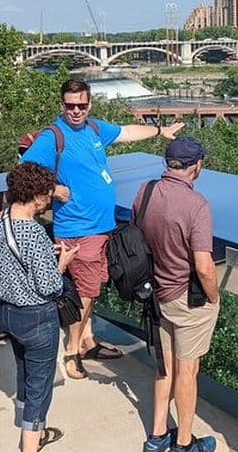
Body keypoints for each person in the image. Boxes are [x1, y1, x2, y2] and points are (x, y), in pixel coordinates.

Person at [21, 78, 183, 379]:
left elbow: (127, 132)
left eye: (81, 105)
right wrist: (54, 189)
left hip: (99, 226)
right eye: (70, 105)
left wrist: (162, 131)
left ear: (89, 104)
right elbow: (22, 171)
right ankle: (71, 352)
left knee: (91, 289)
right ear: (62, 105)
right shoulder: (53, 137)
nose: (76, 111)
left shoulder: (95, 129)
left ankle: (87, 340)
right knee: (86, 291)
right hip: (78, 228)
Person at [133, 136, 219, 452]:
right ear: (196, 166)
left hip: (156, 292)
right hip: (185, 298)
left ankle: (156, 436)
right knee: (187, 371)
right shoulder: (196, 205)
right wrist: (213, 298)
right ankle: (183, 444)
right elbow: (204, 266)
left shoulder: (146, 190)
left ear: (168, 163)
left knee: (164, 365)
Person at [0, 162, 80, 452]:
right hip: (37, 316)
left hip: (8, 312)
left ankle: (32, 432)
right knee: (41, 388)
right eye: (48, 195)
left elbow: (2, 262)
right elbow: (51, 286)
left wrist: (42, 256)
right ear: (37, 196)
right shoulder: (35, 232)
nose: (50, 200)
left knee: (25, 375)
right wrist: (63, 262)